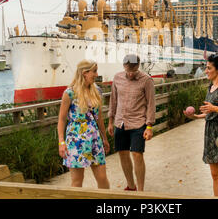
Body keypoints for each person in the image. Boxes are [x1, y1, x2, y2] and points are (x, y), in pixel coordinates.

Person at [183, 53, 218, 198]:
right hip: (210, 133)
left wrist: (217, 109)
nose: (206, 71)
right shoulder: (210, 87)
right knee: (215, 176)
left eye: (209, 68)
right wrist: (196, 116)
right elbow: (210, 113)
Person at [57, 60, 110, 189]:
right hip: (76, 139)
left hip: (94, 138)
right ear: (85, 73)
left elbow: (99, 118)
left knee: (103, 179)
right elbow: (62, 119)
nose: (97, 74)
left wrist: (104, 138)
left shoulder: (97, 90)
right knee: (77, 182)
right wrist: (61, 142)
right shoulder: (69, 93)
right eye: (94, 71)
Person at [108, 54, 156, 192]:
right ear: (124, 67)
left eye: (133, 71)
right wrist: (111, 122)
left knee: (137, 154)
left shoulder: (147, 80)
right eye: (128, 71)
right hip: (120, 122)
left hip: (138, 123)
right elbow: (113, 101)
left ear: (138, 67)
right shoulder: (117, 78)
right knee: (123, 153)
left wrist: (149, 126)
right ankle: (131, 185)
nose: (130, 74)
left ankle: (140, 191)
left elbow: (151, 104)